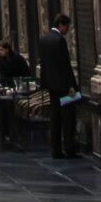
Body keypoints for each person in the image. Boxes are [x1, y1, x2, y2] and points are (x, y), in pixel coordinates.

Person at [38, 12, 79, 157]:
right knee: (68, 118)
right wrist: (73, 86)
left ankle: (56, 149)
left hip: (51, 86)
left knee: (55, 117)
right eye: (67, 26)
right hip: (64, 87)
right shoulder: (59, 40)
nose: (67, 30)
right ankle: (69, 148)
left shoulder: (44, 39)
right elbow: (65, 65)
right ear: (61, 24)